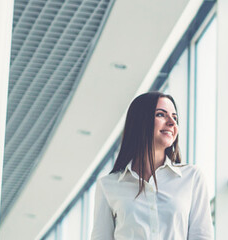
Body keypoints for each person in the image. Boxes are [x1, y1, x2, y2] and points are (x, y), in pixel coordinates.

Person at [91, 92, 213, 240]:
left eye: (175, 117)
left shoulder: (192, 177)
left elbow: (202, 236)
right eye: (161, 115)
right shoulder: (108, 186)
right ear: (140, 121)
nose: (172, 123)